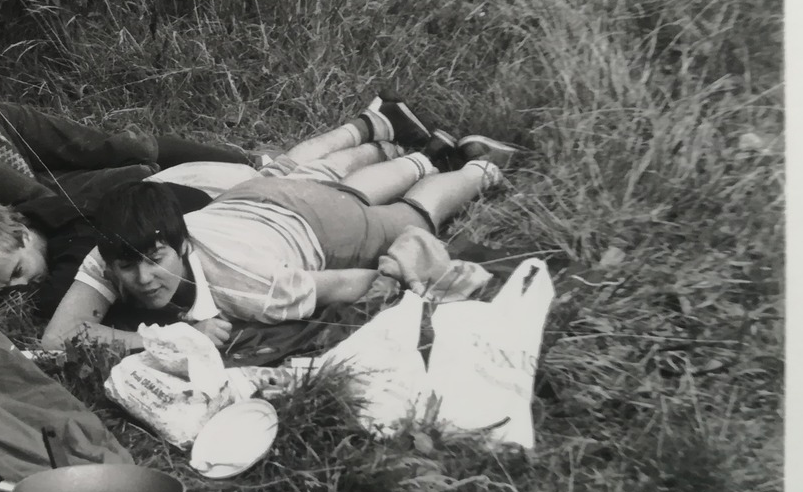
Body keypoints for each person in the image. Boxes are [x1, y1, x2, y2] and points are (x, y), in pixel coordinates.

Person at [0, 96, 454, 319]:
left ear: (20, 232)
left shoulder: (71, 236)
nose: (23, 289)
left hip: (195, 187)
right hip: (198, 197)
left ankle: (387, 138)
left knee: (297, 174)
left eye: (18, 275)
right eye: (7, 290)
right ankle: (395, 144)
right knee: (314, 181)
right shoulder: (55, 233)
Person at [40, 133, 517, 355]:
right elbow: (59, 338)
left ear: (182, 242)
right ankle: (424, 153)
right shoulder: (117, 246)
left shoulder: (251, 288)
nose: (142, 279)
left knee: (409, 217)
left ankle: (481, 165)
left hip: (309, 224)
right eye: (127, 266)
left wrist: (397, 280)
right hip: (245, 201)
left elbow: (345, 284)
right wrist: (161, 340)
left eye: (155, 259)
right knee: (351, 190)